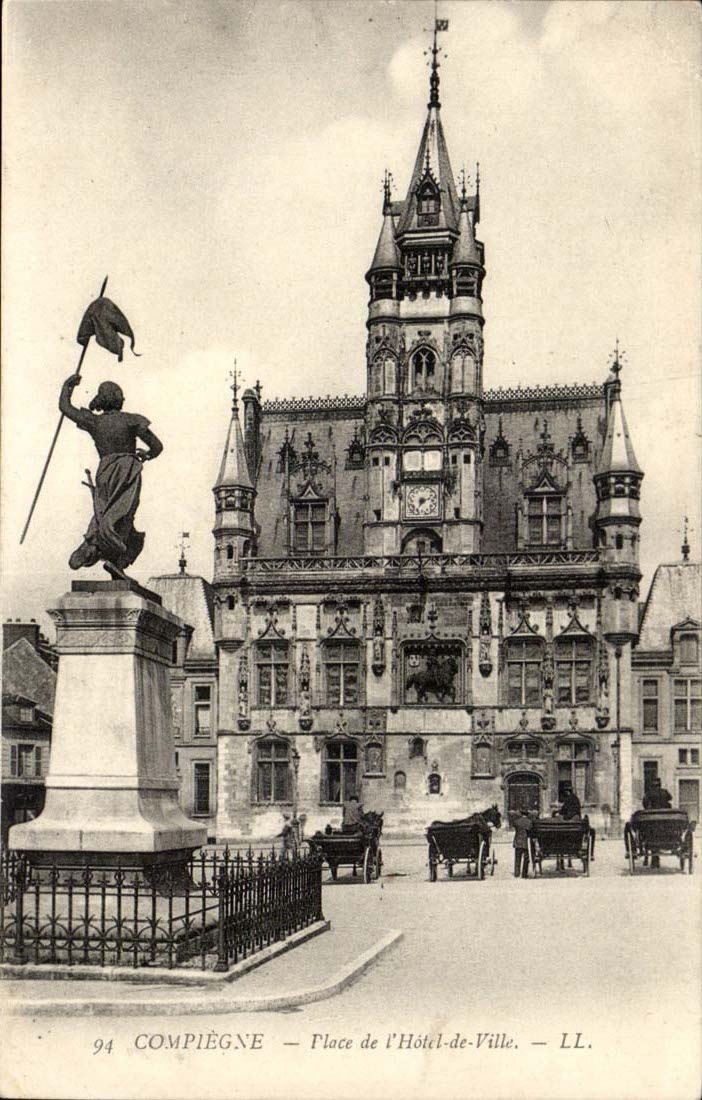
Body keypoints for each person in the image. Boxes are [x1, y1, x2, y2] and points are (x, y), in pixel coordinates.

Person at [59, 373, 163, 575]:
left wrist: (67, 387)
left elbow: (65, 408)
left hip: (105, 471)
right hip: (127, 471)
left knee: (103, 513)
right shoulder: (132, 420)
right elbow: (157, 446)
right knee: (123, 514)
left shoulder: (94, 422)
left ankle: (93, 547)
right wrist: (147, 455)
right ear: (119, 399)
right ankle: (112, 554)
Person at [512, 808, 533, 878]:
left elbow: (514, 826)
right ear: (527, 814)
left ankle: (516, 873)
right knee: (526, 858)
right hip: (525, 842)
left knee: (517, 858)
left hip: (517, 841)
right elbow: (530, 830)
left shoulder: (517, 821)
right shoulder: (529, 822)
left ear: (521, 814)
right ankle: (524, 874)